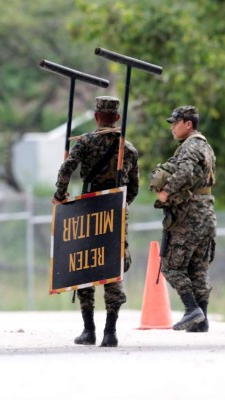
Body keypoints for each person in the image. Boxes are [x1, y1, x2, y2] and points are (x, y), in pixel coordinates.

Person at [52, 96, 139, 347]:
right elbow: (134, 188)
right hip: (115, 210)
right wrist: (121, 203)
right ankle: (110, 332)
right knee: (112, 265)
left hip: (88, 207)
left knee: (86, 264)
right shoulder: (128, 148)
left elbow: (66, 168)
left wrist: (60, 195)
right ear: (118, 118)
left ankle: (88, 330)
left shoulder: (86, 142)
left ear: (96, 116)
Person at [154, 105, 216, 332]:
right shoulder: (205, 146)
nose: (172, 127)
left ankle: (192, 310)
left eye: (175, 122)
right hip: (206, 213)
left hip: (189, 215)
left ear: (188, 124)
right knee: (197, 269)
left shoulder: (190, 146)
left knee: (171, 267)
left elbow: (183, 173)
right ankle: (202, 321)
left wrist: (165, 193)